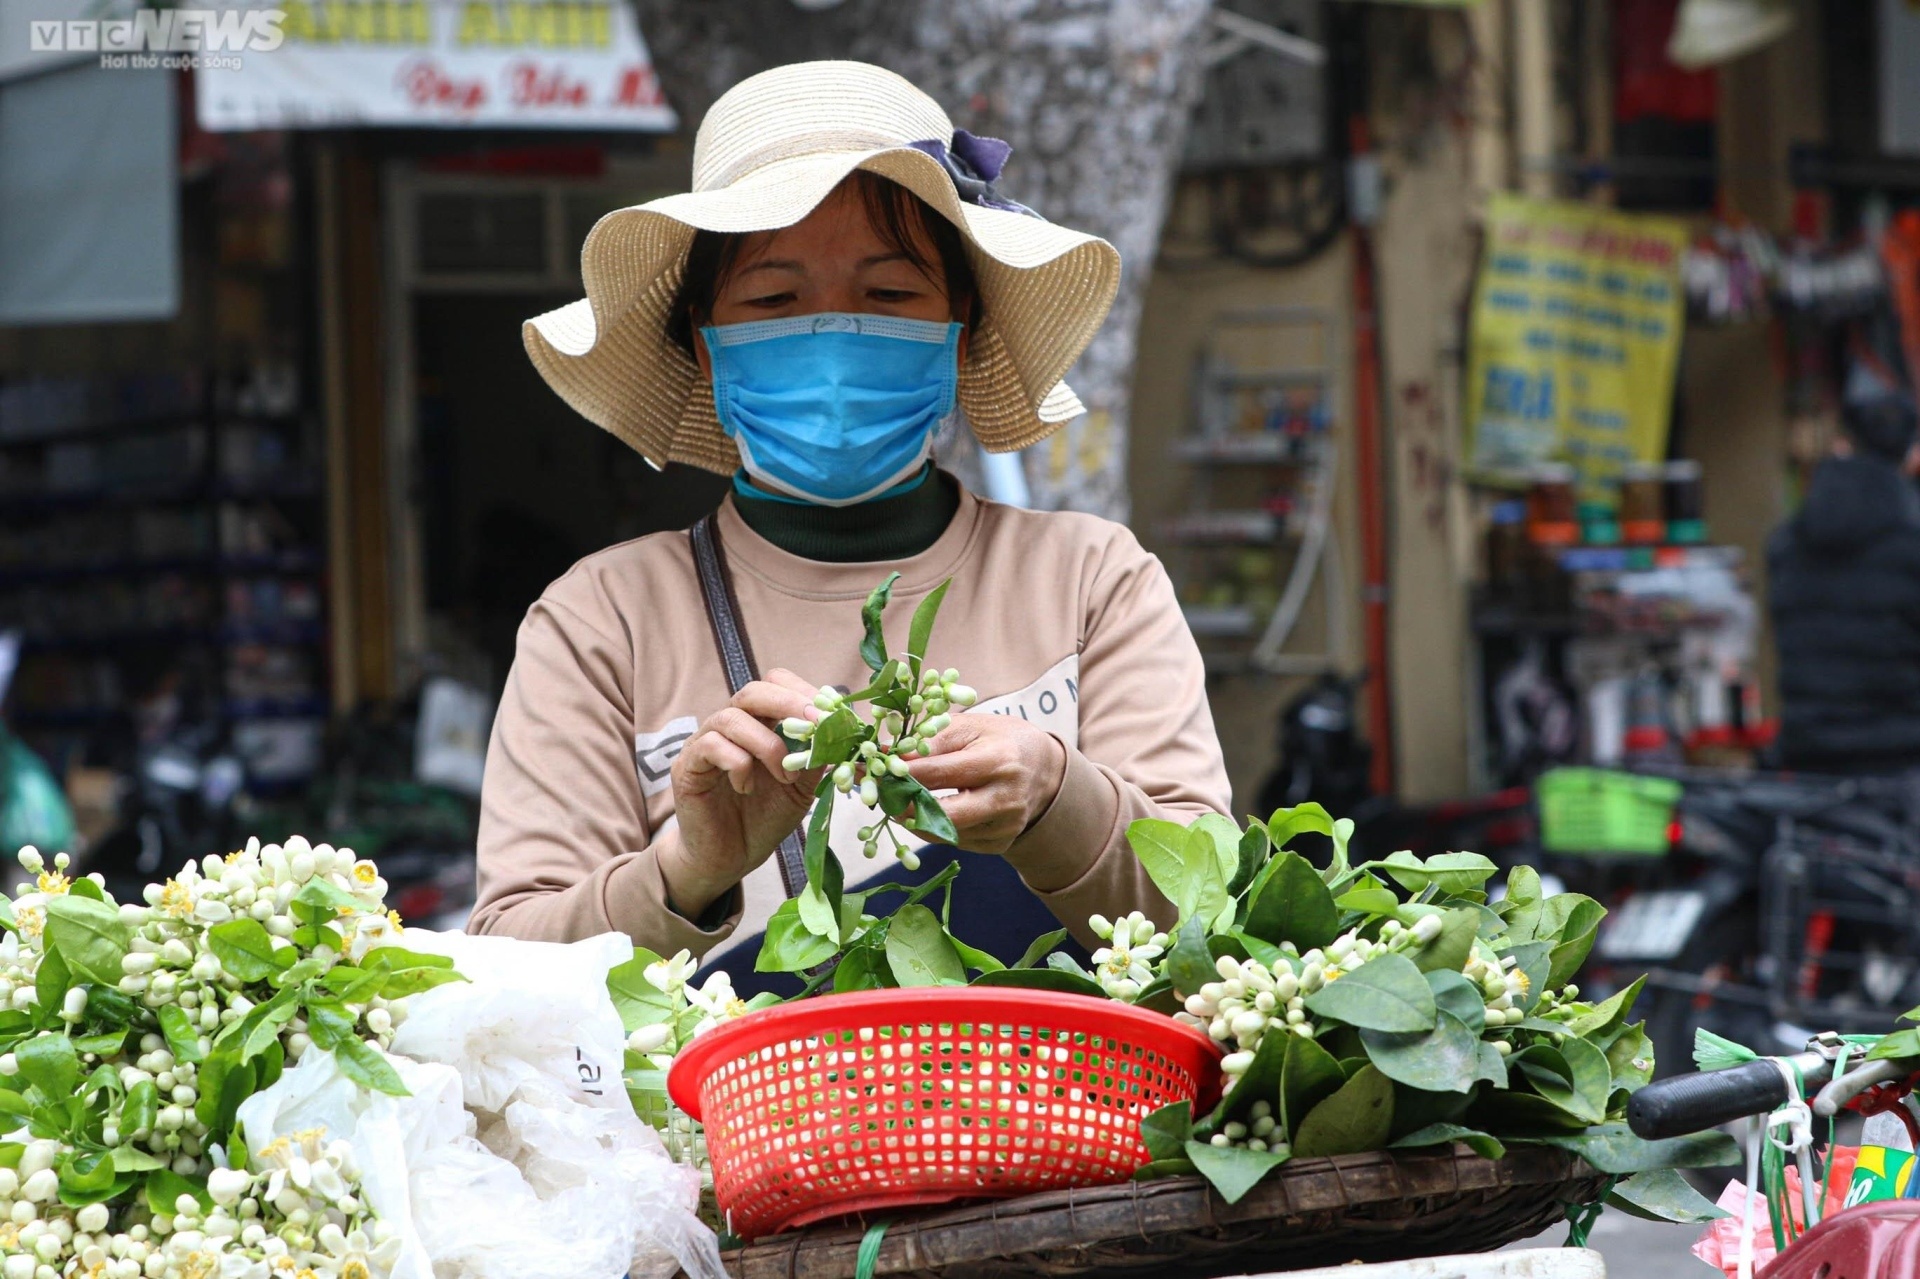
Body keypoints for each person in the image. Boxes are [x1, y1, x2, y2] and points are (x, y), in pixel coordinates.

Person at [467, 61, 1230, 984]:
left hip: (1051, 1082)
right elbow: (505, 972)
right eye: (774, 300)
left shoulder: (1089, 580)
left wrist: (1054, 797)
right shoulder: (603, 620)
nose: (833, 337)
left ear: (960, 325)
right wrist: (688, 869)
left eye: (891, 295)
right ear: (703, 344)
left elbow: (1216, 922)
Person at [1768, 391, 1920, 774]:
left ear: (1841, 445)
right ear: (1911, 456)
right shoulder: (1910, 540)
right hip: (1902, 760)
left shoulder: (1787, 542)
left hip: (1809, 756)